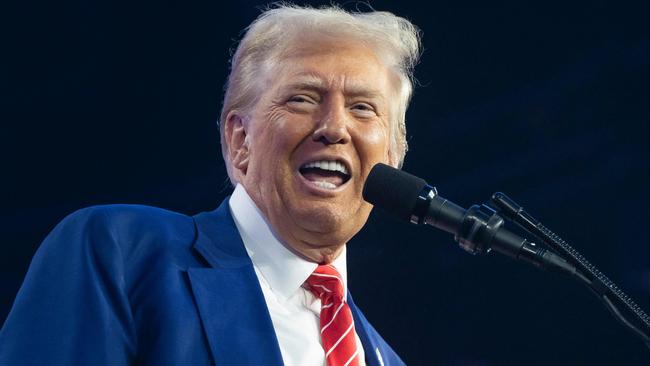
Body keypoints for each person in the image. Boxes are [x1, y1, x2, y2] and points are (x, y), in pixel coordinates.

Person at [0, 4, 420, 366]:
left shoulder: (384, 357)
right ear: (240, 140)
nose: (334, 127)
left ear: (391, 160)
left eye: (363, 108)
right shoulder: (121, 253)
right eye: (302, 99)